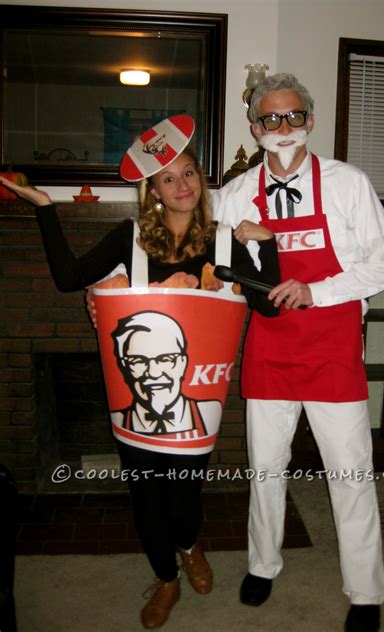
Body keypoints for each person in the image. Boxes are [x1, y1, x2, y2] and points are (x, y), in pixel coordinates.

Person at [0, 135, 280, 629]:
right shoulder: (129, 237)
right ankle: (166, 577)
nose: (181, 185)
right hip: (133, 401)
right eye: (167, 178)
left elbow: (266, 303)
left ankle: (190, 544)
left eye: (189, 173)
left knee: (184, 499)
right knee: (146, 495)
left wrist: (267, 245)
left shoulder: (224, 239)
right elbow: (69, 278)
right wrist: (45, 207)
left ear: (202, 179)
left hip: (197, 401)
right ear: (152, 190)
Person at [212, 73, 384, 632]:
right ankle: (263, 565)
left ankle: (366, 593)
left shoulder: (349, 184)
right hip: (269, 348)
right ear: (256, 128)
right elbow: (180, 226)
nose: (284, 127)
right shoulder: (238, 192)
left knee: (350, 472)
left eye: (294, 116)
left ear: (310, 121)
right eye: (271, 119)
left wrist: (316, 290)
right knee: (266, 468)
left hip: (332, 345)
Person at [111, 310, 222, 438]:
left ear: (182, 363)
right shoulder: (118, 419)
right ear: (124, 368)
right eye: (138, 361)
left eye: (165, 359)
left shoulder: (208, 412)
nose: (153, 373)